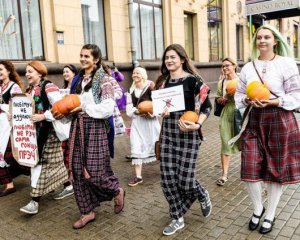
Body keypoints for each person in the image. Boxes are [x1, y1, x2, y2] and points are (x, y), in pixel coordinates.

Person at [235, 25, 300, 234]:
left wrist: (274, 102)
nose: (262, 40)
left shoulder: (286, 64)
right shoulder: (248, 67)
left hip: (280, 120)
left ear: (275, 41)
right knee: (249, 168)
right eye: (259, 37)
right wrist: (245, 99)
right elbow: (238, 95)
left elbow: (297, 95)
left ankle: (270, 214)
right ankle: (257, 208)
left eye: (267, 37)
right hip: (254, 120)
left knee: (276, 170)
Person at [155, 44, 212, 236]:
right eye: (166, 58)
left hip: (188, 134)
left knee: (186, 181)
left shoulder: (193, 81)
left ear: (182, 59)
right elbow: (157, 110)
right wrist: (159, 113)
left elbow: (206, 107)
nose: (169, 60)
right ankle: (177, 217)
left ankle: (201, 193)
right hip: (168, 134)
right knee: (168, 179)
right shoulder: (162, 82)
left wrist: (198, 124)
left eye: (173, 57)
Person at [68, 44, 125, 229]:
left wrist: (85, 108)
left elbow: (108, 107)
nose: (83, 59)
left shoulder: (104, 79)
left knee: (96, 172)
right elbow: (71, 102)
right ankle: (87, 211)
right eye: (81, 55)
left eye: (87, 56)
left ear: (96, 59)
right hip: (77, 127)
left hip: (95, 127)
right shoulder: (77, 79)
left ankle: (116, 190)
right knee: (77, 171)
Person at [20, 61, 68, 214]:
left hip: (49, 132)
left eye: (30, 71)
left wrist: (43, 117)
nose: (27, 74)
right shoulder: (30, 88)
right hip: (36, 133)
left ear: (39, 73)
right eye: (26, 72)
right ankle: (68, 185)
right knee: (55, 162)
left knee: (41, 164)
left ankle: (34, 201)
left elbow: (60, 107)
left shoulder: (48, 86)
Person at [126, 66, 160, 186]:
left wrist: (153, 114)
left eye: (137, 73)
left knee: (158, 146)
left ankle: (168, 169)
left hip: (151, 123)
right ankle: (138, 176)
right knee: (136, 146)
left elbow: (158, 105)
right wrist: (136, 111)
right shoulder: (130, 91)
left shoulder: (150, 88)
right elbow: (128, 109)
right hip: (138, 124)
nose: (135, 75)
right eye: (134, 73)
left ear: (143, 75)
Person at [0, 61, 30, 197]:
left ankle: (35, 173)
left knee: (10, 155)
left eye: (1, 69)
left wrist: (5, 108)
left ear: (8, 71)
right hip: (1, 125)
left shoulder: (14, 87)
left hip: (10, 125)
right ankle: (9, 185)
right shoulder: (0, 87)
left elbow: (18, 106)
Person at [53, 64, 78, 200]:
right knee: (66, 155)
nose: (64, 74)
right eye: (63, 72)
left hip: (74, 125)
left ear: (74, 73)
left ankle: (74, 183)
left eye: (67, 71)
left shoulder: (77, 88)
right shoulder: (62, 90)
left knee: (73, 155)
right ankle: (71, 182)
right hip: (64, 127)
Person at [215, 57, 240, 186]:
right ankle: (224, 175)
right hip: (227, 113)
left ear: (234, 65)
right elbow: (218, 98)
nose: (225, 68)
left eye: (227, 65)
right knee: (225, 142)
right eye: (223, 66)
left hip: (241, 112)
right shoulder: (222, 82)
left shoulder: (242, 79)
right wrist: (223, 99)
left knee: (245, 142)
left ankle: (249, 172)